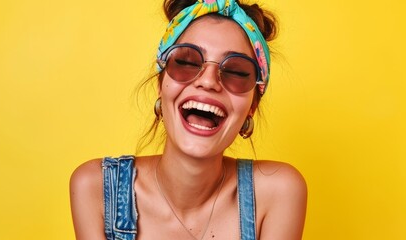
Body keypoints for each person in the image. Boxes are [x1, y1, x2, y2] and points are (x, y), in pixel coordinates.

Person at [70, 0, 307, 239]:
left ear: (251, 107)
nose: (208, 81)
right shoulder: (96, 188)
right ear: (160, 86)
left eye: (236, 72)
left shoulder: (277, 192)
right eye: (186, 62)